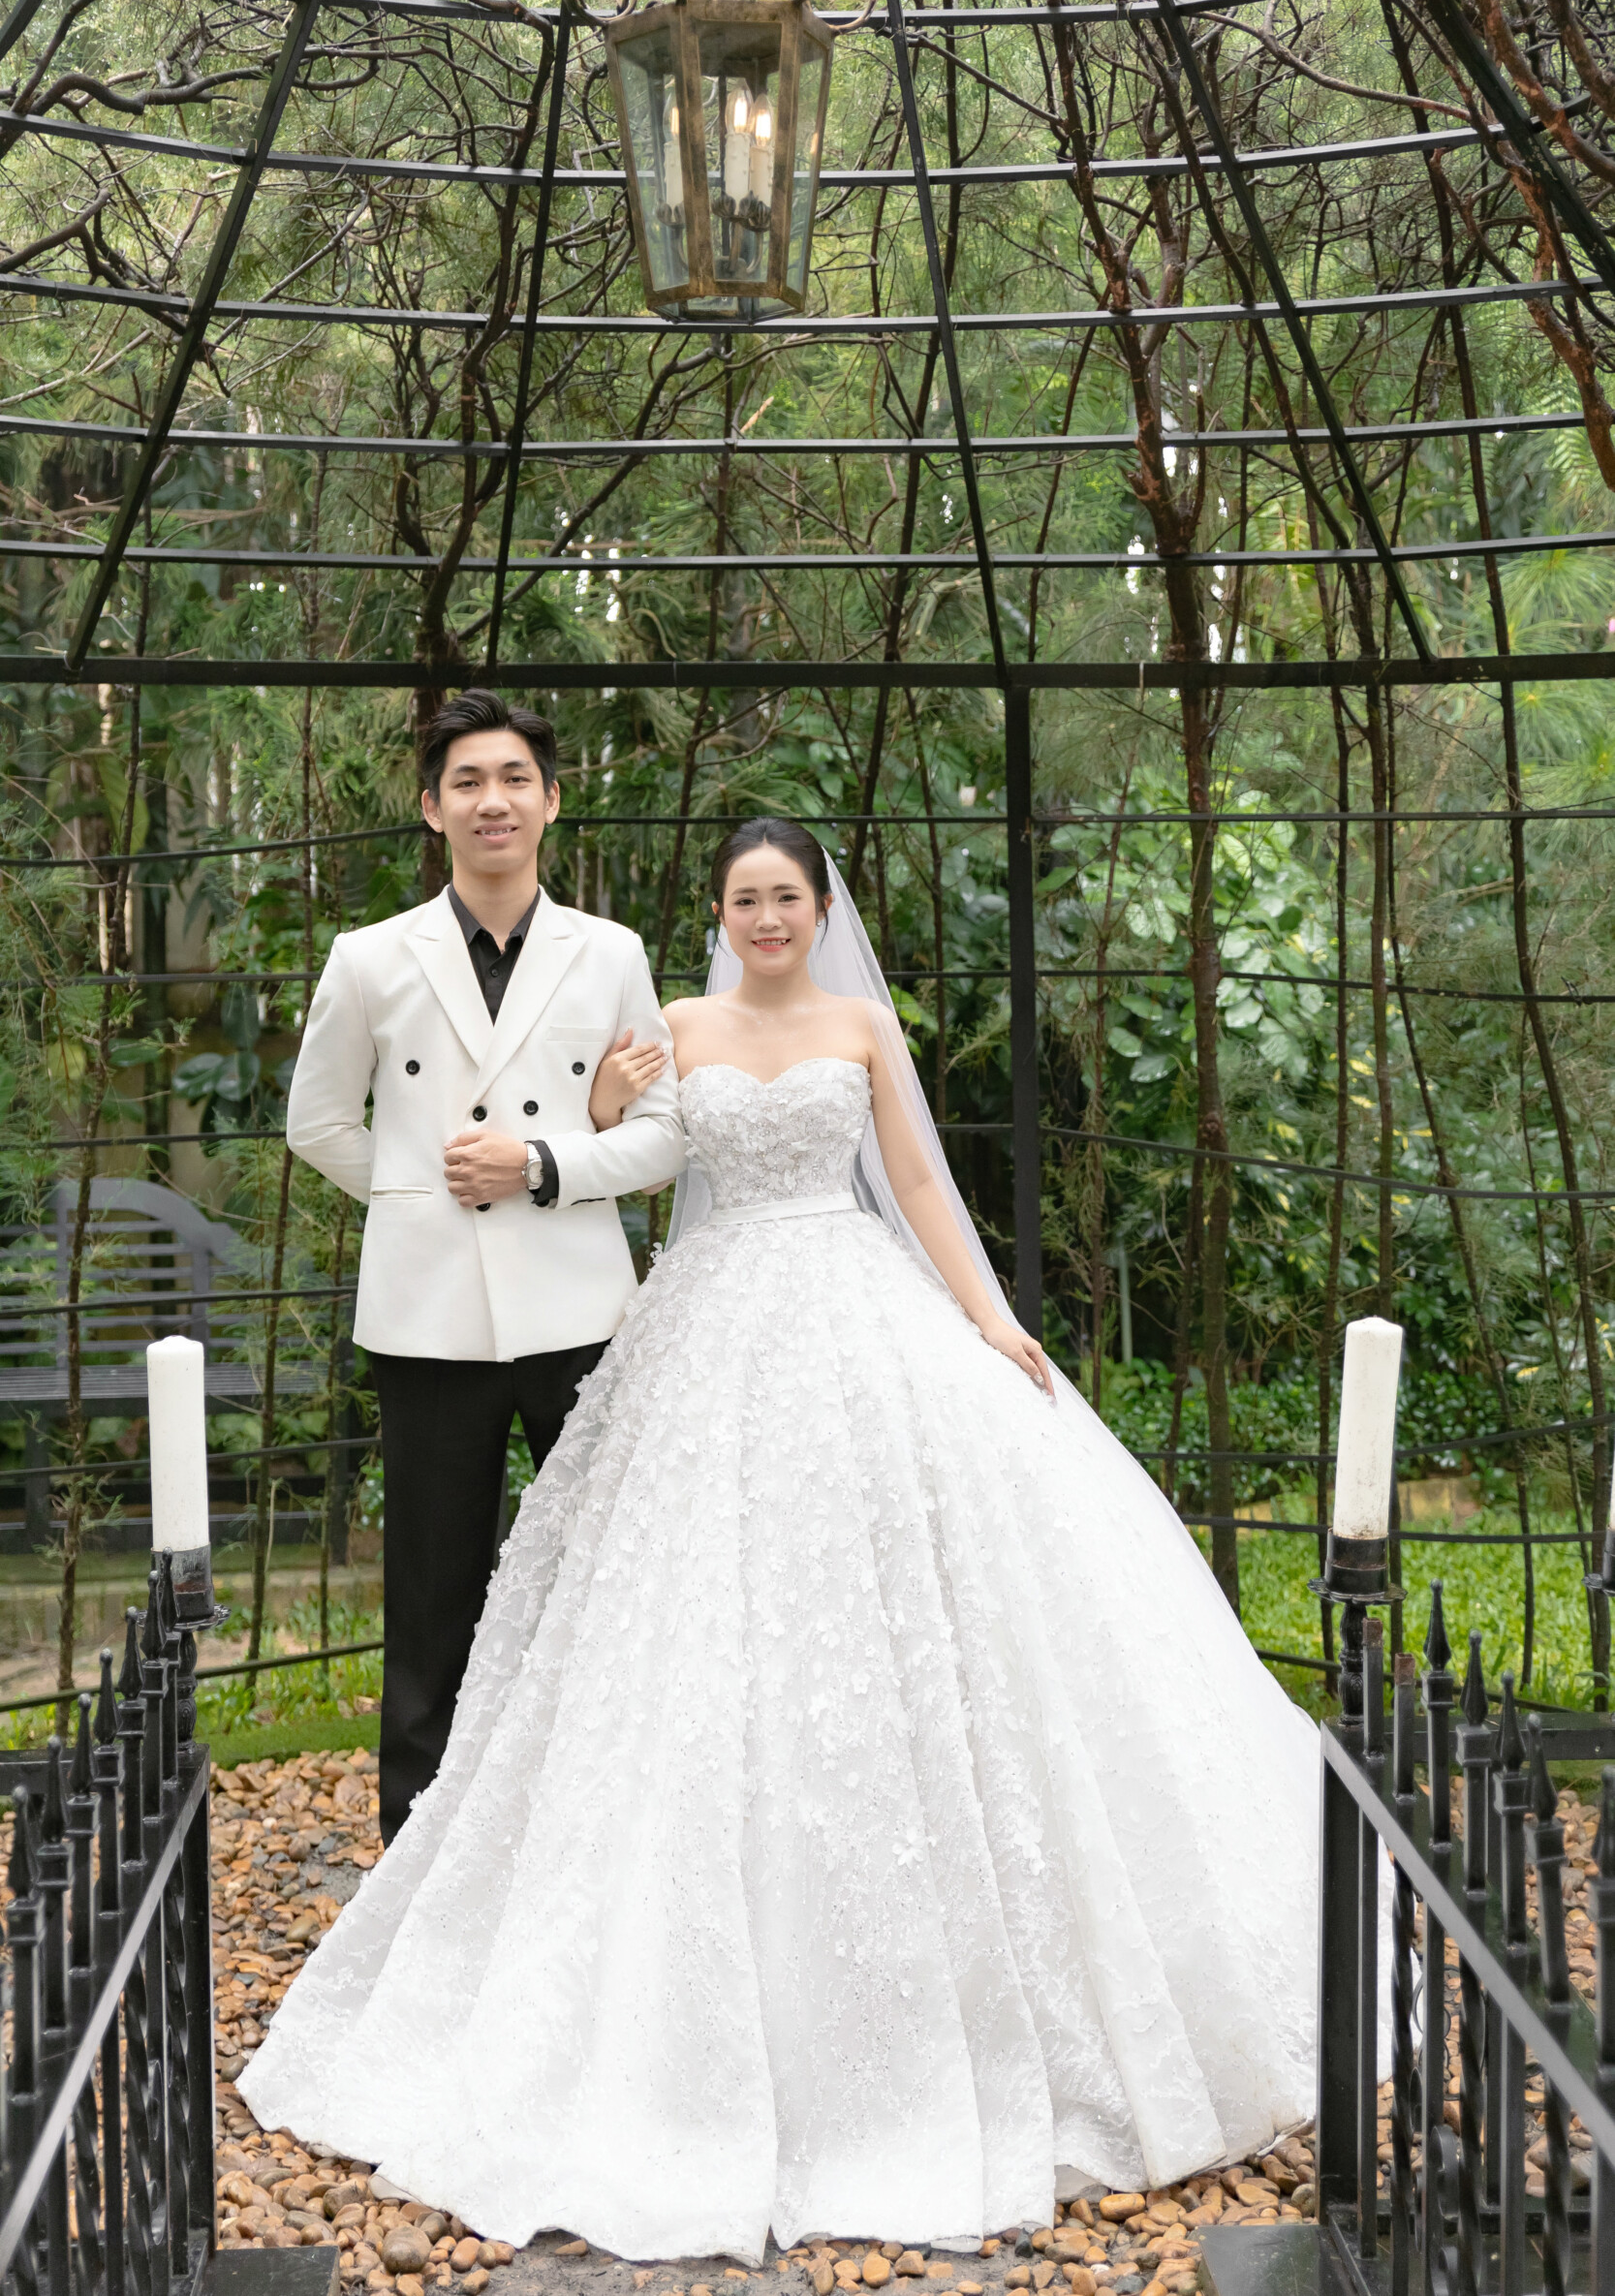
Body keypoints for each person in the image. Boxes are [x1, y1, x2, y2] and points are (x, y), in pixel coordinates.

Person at [243, 816, 1320, 2263]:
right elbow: (628, 1152)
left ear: (820, 910)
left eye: (786, 897)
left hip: (857, 1310)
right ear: (720, 913)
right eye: (744, 897)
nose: (765, 917)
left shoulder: (861, 1026)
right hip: (707, 1319)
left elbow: (918, 1184)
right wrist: (590, 1114)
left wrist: (990, 1318)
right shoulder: (673, 1023)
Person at [284, 689, 682, 1844]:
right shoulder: (370, 958)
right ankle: (416, 1841)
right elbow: (317, 1122)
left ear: (550, 801)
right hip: (428, 1313)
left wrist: (539, 1165)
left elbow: (663, 1135)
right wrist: (422, 1190)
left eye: (513, 778)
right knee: (431, 1589)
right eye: (467, 781)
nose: (491, 800)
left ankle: (598, 1830)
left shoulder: (609, 953)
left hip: (579, 1309)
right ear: (432, 807)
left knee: (599, 1576)